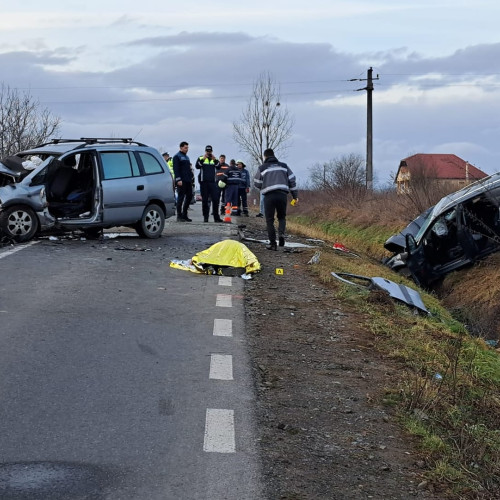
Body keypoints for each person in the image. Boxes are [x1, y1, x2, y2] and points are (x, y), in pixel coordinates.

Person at [254, 148, 298, 250]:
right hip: (282, 195)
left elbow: (257, 182)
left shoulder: (262, 167)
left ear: (265, 156)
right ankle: (281, 234)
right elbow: (292, 180)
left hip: (269, 196)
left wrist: (264, 185)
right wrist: (295, 196)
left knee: (269, 220)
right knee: (282, 217)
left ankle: (273, 244)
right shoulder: (284, 166)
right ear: (274, 155)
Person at [195, 145, 223, 223]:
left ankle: (216, 217)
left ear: (212, 151)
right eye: (207, 151)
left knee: (215, 199)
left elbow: (218, 167)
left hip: (212, 182)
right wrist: (203, 159)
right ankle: (205, 217)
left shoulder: (214, 159)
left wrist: (214, 159)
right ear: (205, 151)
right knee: (205, 200)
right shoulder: (201, 158)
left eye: (210, 151)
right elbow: (197, 166)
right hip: (204, 182)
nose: (208, 153)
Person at [173, 141, 193, 222]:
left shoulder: (187, 157)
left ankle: (185, 214)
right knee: (181, 198)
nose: (187, 149)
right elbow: (176, 169)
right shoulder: (177, 156)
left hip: (188, 180)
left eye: (187, 148)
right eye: (185, 148)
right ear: (181, 148)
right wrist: (178, 179)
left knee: (189, 196)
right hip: (181, 180)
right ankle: (179, 215)